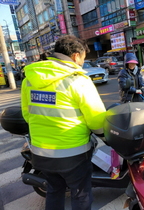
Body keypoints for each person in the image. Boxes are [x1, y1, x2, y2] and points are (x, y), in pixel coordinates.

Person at [21, 35, 106, 210]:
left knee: (54, 190)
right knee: (80, 194)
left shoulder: (29, 79)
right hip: (73, 155)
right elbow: (97, 121)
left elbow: (27, 115)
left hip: (41, 153)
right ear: (76, 56)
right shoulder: (78, 80)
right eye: (83, 58)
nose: (82, 62)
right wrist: (105, 135)